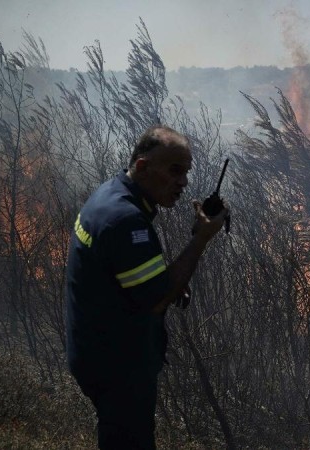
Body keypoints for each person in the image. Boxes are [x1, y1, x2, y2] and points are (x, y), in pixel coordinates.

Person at [65, 125, 228, 449]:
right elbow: (156, 298)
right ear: (142, 167)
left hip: (95, 352)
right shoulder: (126, 221)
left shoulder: (110, 195)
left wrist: (164, 284)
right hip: (117, 367)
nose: (183, 182)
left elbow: (127, 275)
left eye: (186, 173)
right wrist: (200, 239)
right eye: (174, 171)